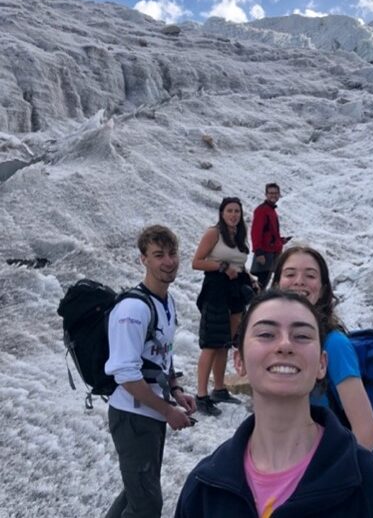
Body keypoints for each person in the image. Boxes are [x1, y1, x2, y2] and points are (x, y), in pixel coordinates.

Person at [175, 290, 373, 518]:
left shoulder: (372, 484)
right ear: (239, 361)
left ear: (322, 364)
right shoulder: (205, 488)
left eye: (302, 336)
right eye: (266, 334)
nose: (285, 345)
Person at [104, 225, 196, 518]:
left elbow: (162, 354)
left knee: (137, 492)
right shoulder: (133, 309)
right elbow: (126, 374)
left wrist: (176, 390)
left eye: (172, 253)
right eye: (158, 255)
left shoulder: (166, 301)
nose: (168, 262)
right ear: (143, 259)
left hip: (150, 414)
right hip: (132, 417)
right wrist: (168, 411)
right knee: (146, 506)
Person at [272, 246, 373, 452]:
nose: (299, 281)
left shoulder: (334, 344)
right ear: (277, 284)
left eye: (310, 275)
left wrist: (332, 477)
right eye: (290, 274)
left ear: (322, 289)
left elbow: (367, 432)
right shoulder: (270, 343)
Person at [192, 197, 258, 416]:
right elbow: (197, 262)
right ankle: (201, 396)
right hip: (216, 289)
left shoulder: (238, 235)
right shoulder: (214, 233)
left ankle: (219, 389)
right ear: (221, 213)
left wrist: (250, 277)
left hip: (236, 291)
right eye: (229, 211)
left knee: (224, 342)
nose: (233, 215)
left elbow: (239, 263)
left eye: (237, 211)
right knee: (211, 343)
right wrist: (222, 267)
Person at [250, 183, 291, 290]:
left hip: (272, 252)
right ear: (266, 195)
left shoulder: (271, 210)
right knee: (261, 284)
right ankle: (254, 304)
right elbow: (256, 232)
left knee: (266, 282)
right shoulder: (262, 210)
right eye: (271, 193)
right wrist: (258, 251)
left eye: (276, 193)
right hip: (265, 253)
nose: (273, 195)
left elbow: (270, 232)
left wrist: (281, 241)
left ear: (279, 195)